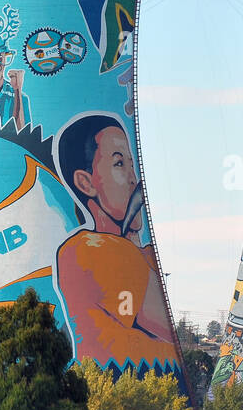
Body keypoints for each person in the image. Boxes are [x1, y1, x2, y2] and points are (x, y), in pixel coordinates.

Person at [54, 114, 179, 371]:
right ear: (85, 182)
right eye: (119, 164)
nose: (135, 178)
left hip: (138, 395)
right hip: (122, 387)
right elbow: (157, 322)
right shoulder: (91, 249)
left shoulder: (134, 253)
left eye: (132, 165)